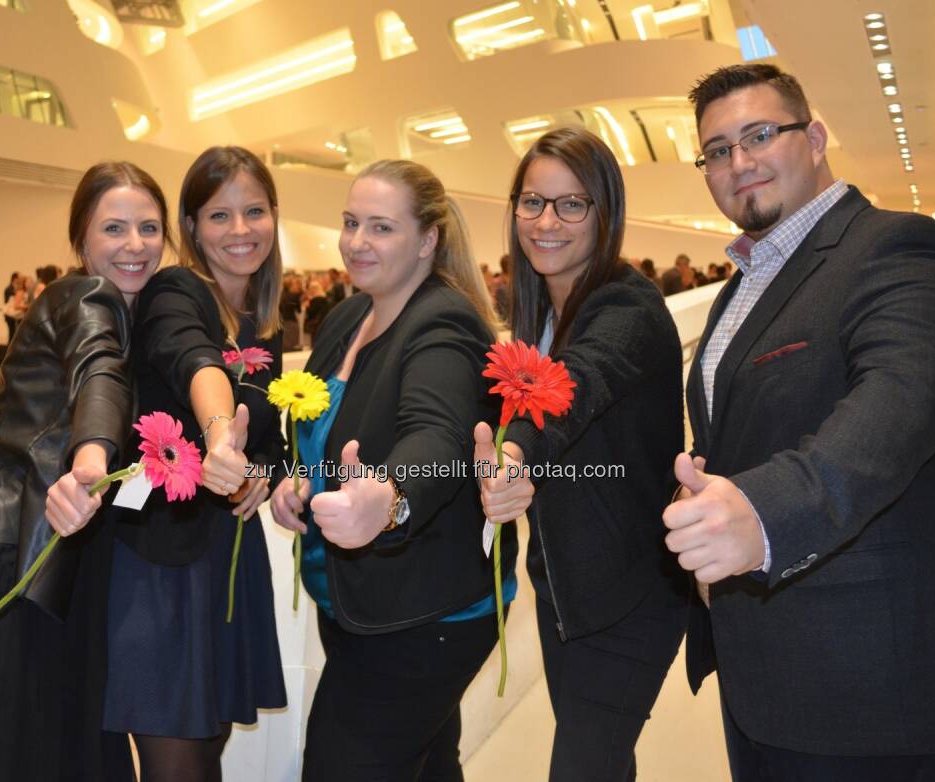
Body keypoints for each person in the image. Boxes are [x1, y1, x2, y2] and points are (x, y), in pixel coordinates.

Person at [663, 63, 935, 780]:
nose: (740, 162)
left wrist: (761, 511)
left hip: (867, 691)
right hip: (761, 675)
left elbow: (899, 404)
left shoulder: (896, 246)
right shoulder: (741, 286)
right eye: (718, 150)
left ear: (816, 137)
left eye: (760, 135)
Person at [269, 159, 514, 781]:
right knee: (429, 765)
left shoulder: (443, 324)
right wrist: (300, 482)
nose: (356, 242)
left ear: (428, 239)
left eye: (381, 227)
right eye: (351, 223)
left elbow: (438, 434)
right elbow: (321, 428)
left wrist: (389, 494)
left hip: (422, 618)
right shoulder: (351, 317)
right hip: (358, 605)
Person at [0, 160, 168, 782]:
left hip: (35, 561)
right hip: (10, 561)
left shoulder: (126, 318)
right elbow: (99, 376)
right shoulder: (85, 297)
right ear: (82, 240)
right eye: (113, 228)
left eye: (149, 227)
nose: (135, 244)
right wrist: (92, 460)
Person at [475, 127, 688, 781]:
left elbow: (576, 384)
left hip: (630, 594)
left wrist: (515, 453)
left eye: (572, 205)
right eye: (533, 202)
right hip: (565, 584)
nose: (547, 222)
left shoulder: (627, 307)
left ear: (606, 213)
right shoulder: (539, 309)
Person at [103, 145, 287, 781]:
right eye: (219, 216)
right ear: (191, 227)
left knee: (207, 752)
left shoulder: (264, 323)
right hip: (160, 566)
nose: (240, 231)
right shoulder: (176, 290)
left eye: (254, 212)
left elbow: (270, 434)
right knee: (179, 766)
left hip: (227, 561)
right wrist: (218, 438)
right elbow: (193, 361)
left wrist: (261, 468)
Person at [2, 273, 30, 342]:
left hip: (20, 317)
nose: (30, 284)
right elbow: (16, 306)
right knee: (13, 336)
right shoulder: (20, 292)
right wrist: (28, 306)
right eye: (28, 282)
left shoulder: (25, 292)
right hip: (16, 317)